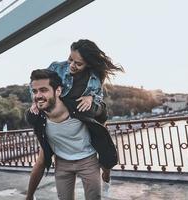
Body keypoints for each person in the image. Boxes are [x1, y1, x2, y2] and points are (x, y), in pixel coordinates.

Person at [26, 69, 117, 200]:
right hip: (62, 163)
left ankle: (106, 176)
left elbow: (102, 111)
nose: (38, 95)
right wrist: (29, 196)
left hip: (88, 160)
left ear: (58, 91)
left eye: (43, 90)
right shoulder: (35, 117)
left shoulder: (79, 106)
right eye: (35, 91)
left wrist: (91, 98)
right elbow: (40, 160)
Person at [30, 39, 123, 122]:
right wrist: (36, 101)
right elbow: (34, 83)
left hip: (79, 111)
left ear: (88, 64)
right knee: (31, 115)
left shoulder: (94, 78)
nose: (71, 65)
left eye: (78, 63)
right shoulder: (56, 67)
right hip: (61, 108)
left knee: (89, 110)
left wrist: (91, 98)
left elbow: (99, 95)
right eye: (70, 59)